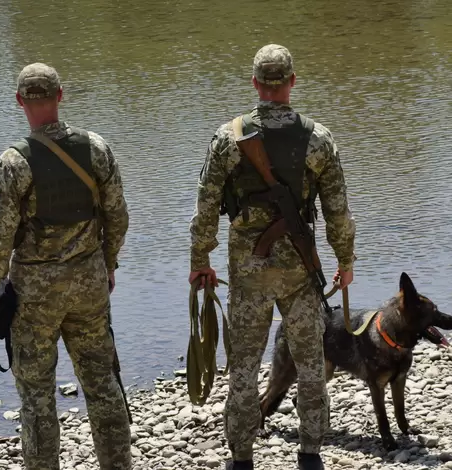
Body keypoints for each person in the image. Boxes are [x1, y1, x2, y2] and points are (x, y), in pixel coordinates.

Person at [188, 44, 356, 470]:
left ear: (255, 83)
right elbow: (337, 209)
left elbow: (206, 205)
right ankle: (310, 453)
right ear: (293, 82)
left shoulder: (228, 137)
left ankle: (242, 457)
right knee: (311, 365)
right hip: (300, 273)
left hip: (248, 274)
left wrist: (199, 261)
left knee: (242, 368)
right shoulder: (318, 138)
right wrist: (346, 261)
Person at [0, 62, 132, 470]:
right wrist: (108, 263)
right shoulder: (96, 148)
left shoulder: (13, 163)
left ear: (19, 102)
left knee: (38, 398)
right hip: (89, 286)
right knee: (102, 386)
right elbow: (118, 216)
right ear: (60, 96)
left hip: (35, 298)